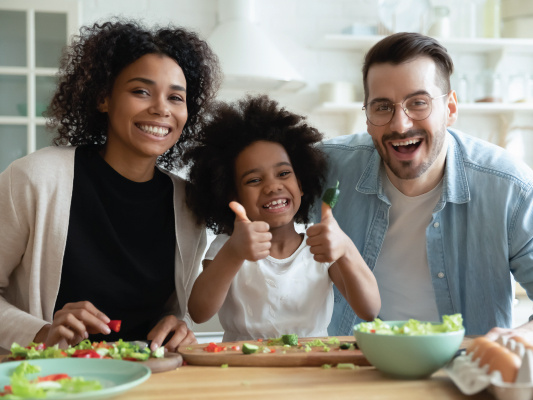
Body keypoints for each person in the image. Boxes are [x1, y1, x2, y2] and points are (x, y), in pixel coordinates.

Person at [0, 19, 221, 353]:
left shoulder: (189, 204)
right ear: (104, 98)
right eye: (141, 91)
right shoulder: (35, 179)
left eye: (176, 97)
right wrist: (42, 333)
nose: (161, 108)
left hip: (150, 378)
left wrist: (178, 326)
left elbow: (170, 312)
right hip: (54, 381)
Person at [318, 32, 533, 338]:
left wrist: (519, 337)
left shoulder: (511, 188)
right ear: (366, 117)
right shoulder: (327, 168)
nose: (400, 124)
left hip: (462, 374)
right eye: (382, 107)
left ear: (451, 109)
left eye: (418, 103)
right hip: (352, 369)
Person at [182, 95, 380, 341]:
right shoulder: (227, 246)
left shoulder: (320, 244)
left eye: (284, 173)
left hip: (312, 368)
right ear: (231, 195)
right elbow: (199, 312)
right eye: (254, 180)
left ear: (301, 182)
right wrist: (234, 253)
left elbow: (369, 310)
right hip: (242, 367)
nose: (273, 187)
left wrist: (346, 249)